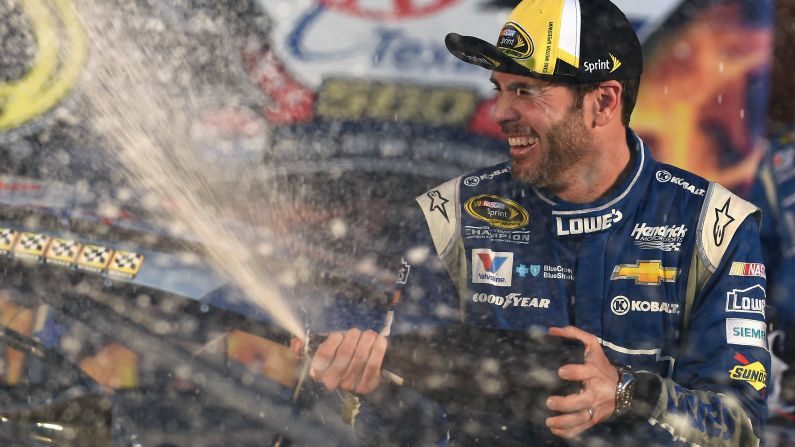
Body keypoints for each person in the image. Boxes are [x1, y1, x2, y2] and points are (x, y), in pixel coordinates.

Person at [300, 0, 770, 444]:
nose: (501, 112)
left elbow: (742, 429)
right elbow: (406, 434)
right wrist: (374, 389)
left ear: (603, 102)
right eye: (500, 89)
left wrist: (629, 393)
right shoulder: (450, 218)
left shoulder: (715, 227)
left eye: (525, 91)